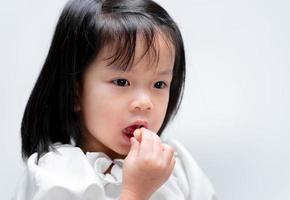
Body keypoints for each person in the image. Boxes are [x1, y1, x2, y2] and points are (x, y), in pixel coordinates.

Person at [13, 0, 216, 199]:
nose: (145, 102)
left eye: (159, 84)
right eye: (121, 82)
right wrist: (136, 193)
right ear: (75, 92)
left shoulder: (179, 169)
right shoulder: (56, 174)